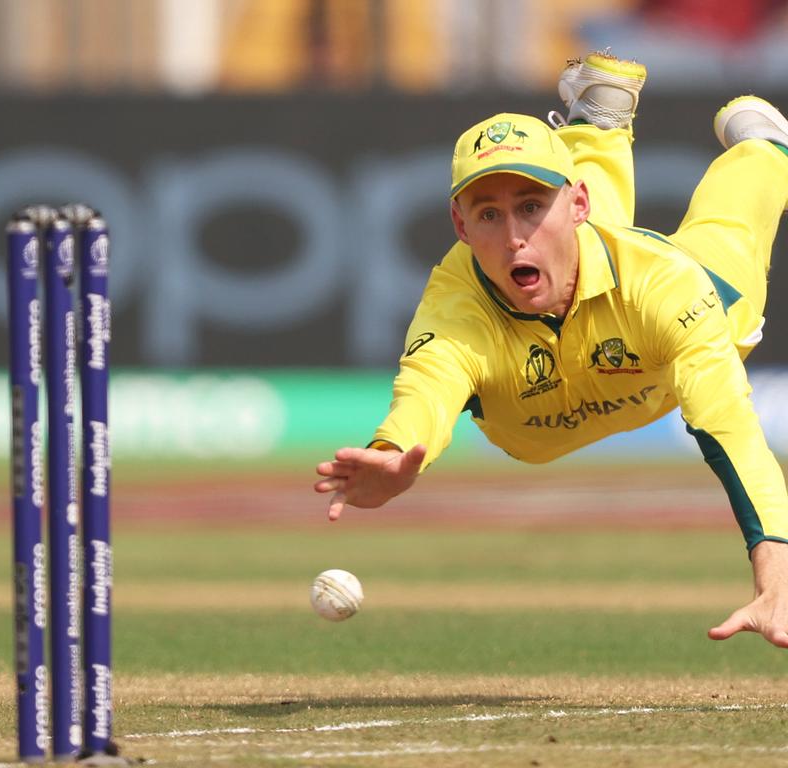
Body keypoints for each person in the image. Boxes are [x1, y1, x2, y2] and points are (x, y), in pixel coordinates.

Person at [314, 52, 788, 649]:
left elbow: (731, 430)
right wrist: (390, 454)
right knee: (553, 252)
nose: (512, 234)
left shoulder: (666, 285)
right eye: (487, 213)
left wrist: (778, 578)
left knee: (728, 228)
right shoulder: (456, 304)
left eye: (529, 206)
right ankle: (597, 126)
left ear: (576, 204)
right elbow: (425, 391)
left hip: (661, 338)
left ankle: (765, 147)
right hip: (532, 428)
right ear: (460, 228)